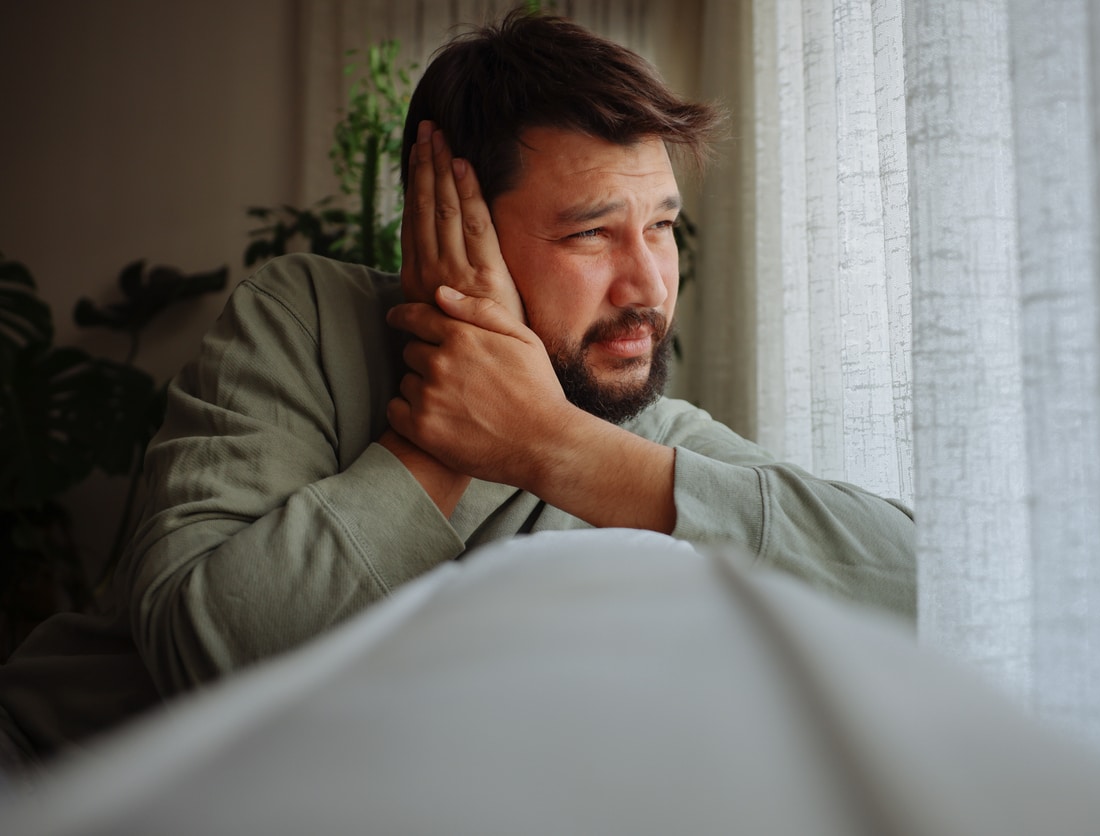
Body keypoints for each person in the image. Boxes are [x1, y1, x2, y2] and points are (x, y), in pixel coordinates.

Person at [0, 8, 914, 774]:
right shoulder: (304, 317)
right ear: (454, 228)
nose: (648, 288)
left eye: (663, 229)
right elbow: (214, 667)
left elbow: (921, 584)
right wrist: (440, 435)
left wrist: (545, 442)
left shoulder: (634, 431)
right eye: (592, 235)